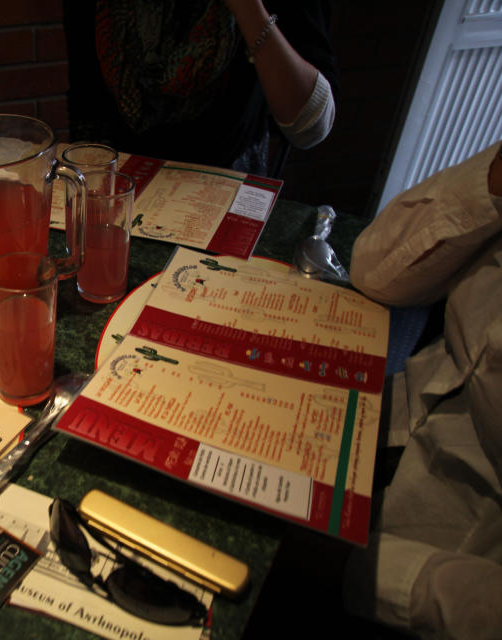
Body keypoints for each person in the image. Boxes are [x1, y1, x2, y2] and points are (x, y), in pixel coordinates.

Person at [345, 141, 502, 638]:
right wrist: (494, 182)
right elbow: (376, 272)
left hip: (431, 566)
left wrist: (350, 567)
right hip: (386, 416)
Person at [62, 0, 338, 175]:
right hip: (120, 179)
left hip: (227, 182)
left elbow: (311, 127)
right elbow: (88, 100)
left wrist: (249, 10)